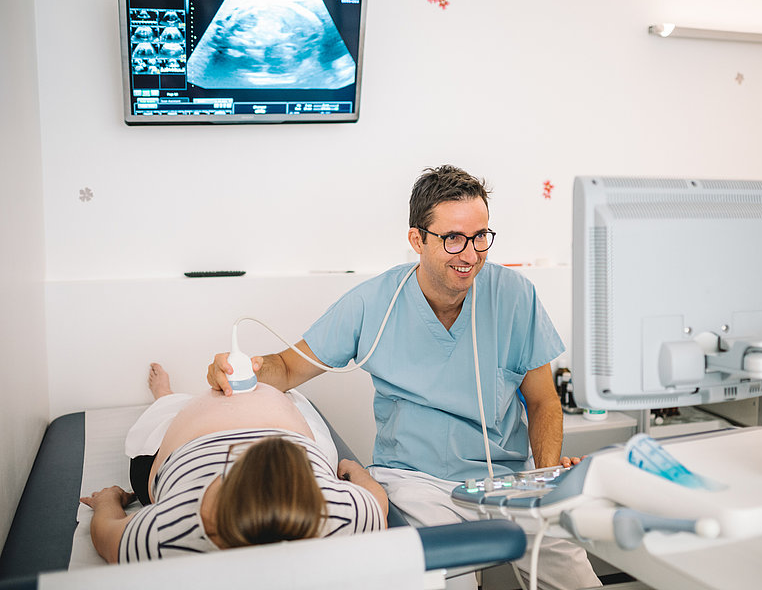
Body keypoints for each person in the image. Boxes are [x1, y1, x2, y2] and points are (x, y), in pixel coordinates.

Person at [208, 165, 600, 589]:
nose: (470, 254)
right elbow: (286, 367)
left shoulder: (515, 295)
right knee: (448, 582)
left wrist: (544, 477)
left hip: (510, 479)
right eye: (453, 238)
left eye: (480, 236)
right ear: (417, 239)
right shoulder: (373, 303)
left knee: (575, 575)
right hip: (417, 484)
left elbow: (543, 401)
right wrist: (239, 367)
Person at [80, 363, 387, 564]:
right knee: (296, 400)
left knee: (161, 418)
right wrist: (357, 473)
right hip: (292, 432)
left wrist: (108, 501)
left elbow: (107, 535)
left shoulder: (166, 532)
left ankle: (166, 398)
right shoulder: (341, 514)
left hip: (184, 443)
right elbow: (377, 501)